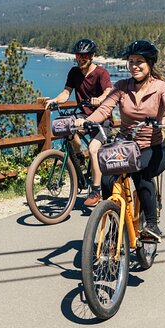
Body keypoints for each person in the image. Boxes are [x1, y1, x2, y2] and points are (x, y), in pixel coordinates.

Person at [75, 40, 165, 241]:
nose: (134, 66)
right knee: (106, 178)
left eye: (139, 61)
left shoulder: (162, 87)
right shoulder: (122, 86)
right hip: (125, 145)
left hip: (153, 147)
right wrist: (86, 121)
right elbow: (105, 108)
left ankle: (151, 225)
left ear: (150, 63)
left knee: (141, 175)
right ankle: (112, 220)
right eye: (131, 62)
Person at [44, 38, 113, 206]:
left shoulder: (101, 73)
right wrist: (55, 100)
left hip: (101, 118)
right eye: (78, 55)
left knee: (93, 149)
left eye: (86, 55)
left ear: (92, 56)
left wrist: (100, 99)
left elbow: (109, 92)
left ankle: (96, 190)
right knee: (66, 127)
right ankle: (79, 157)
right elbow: (66, 93)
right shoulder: (74, 72)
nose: (81, 58)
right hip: (82, 117)